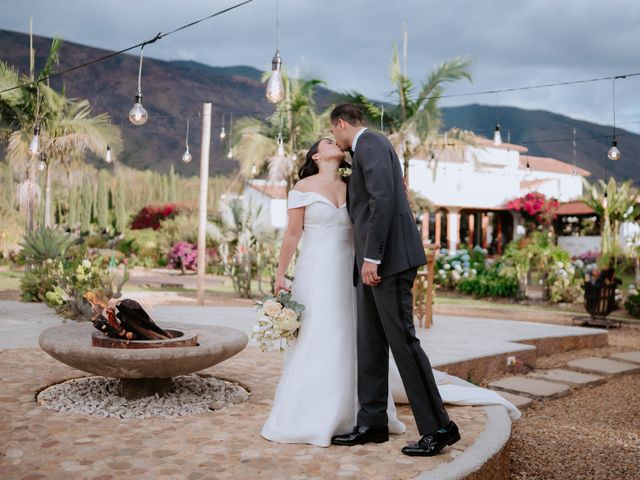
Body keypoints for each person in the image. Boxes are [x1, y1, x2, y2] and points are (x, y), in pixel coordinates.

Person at [328, 103, 459, 457]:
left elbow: (384, 201)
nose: (334, 140)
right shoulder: (366, 148)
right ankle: (371, 422)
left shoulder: (371, 143)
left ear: (341, 124)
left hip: (389, 262)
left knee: (403, 342)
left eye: (332, 132)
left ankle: (440, 427)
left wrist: (373, 256)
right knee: (370, 340)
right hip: (373, 264)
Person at [261, 138, 406, 447]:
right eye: (328, 141)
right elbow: (291, 234)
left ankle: (360, 413)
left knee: (353, 335)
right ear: (316, 155)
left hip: (351, 271)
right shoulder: (302, 188)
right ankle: (312, 413)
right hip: (315, 271)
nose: (335, 143)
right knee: (319, 334)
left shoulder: (353, 186)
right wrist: (280, 275)